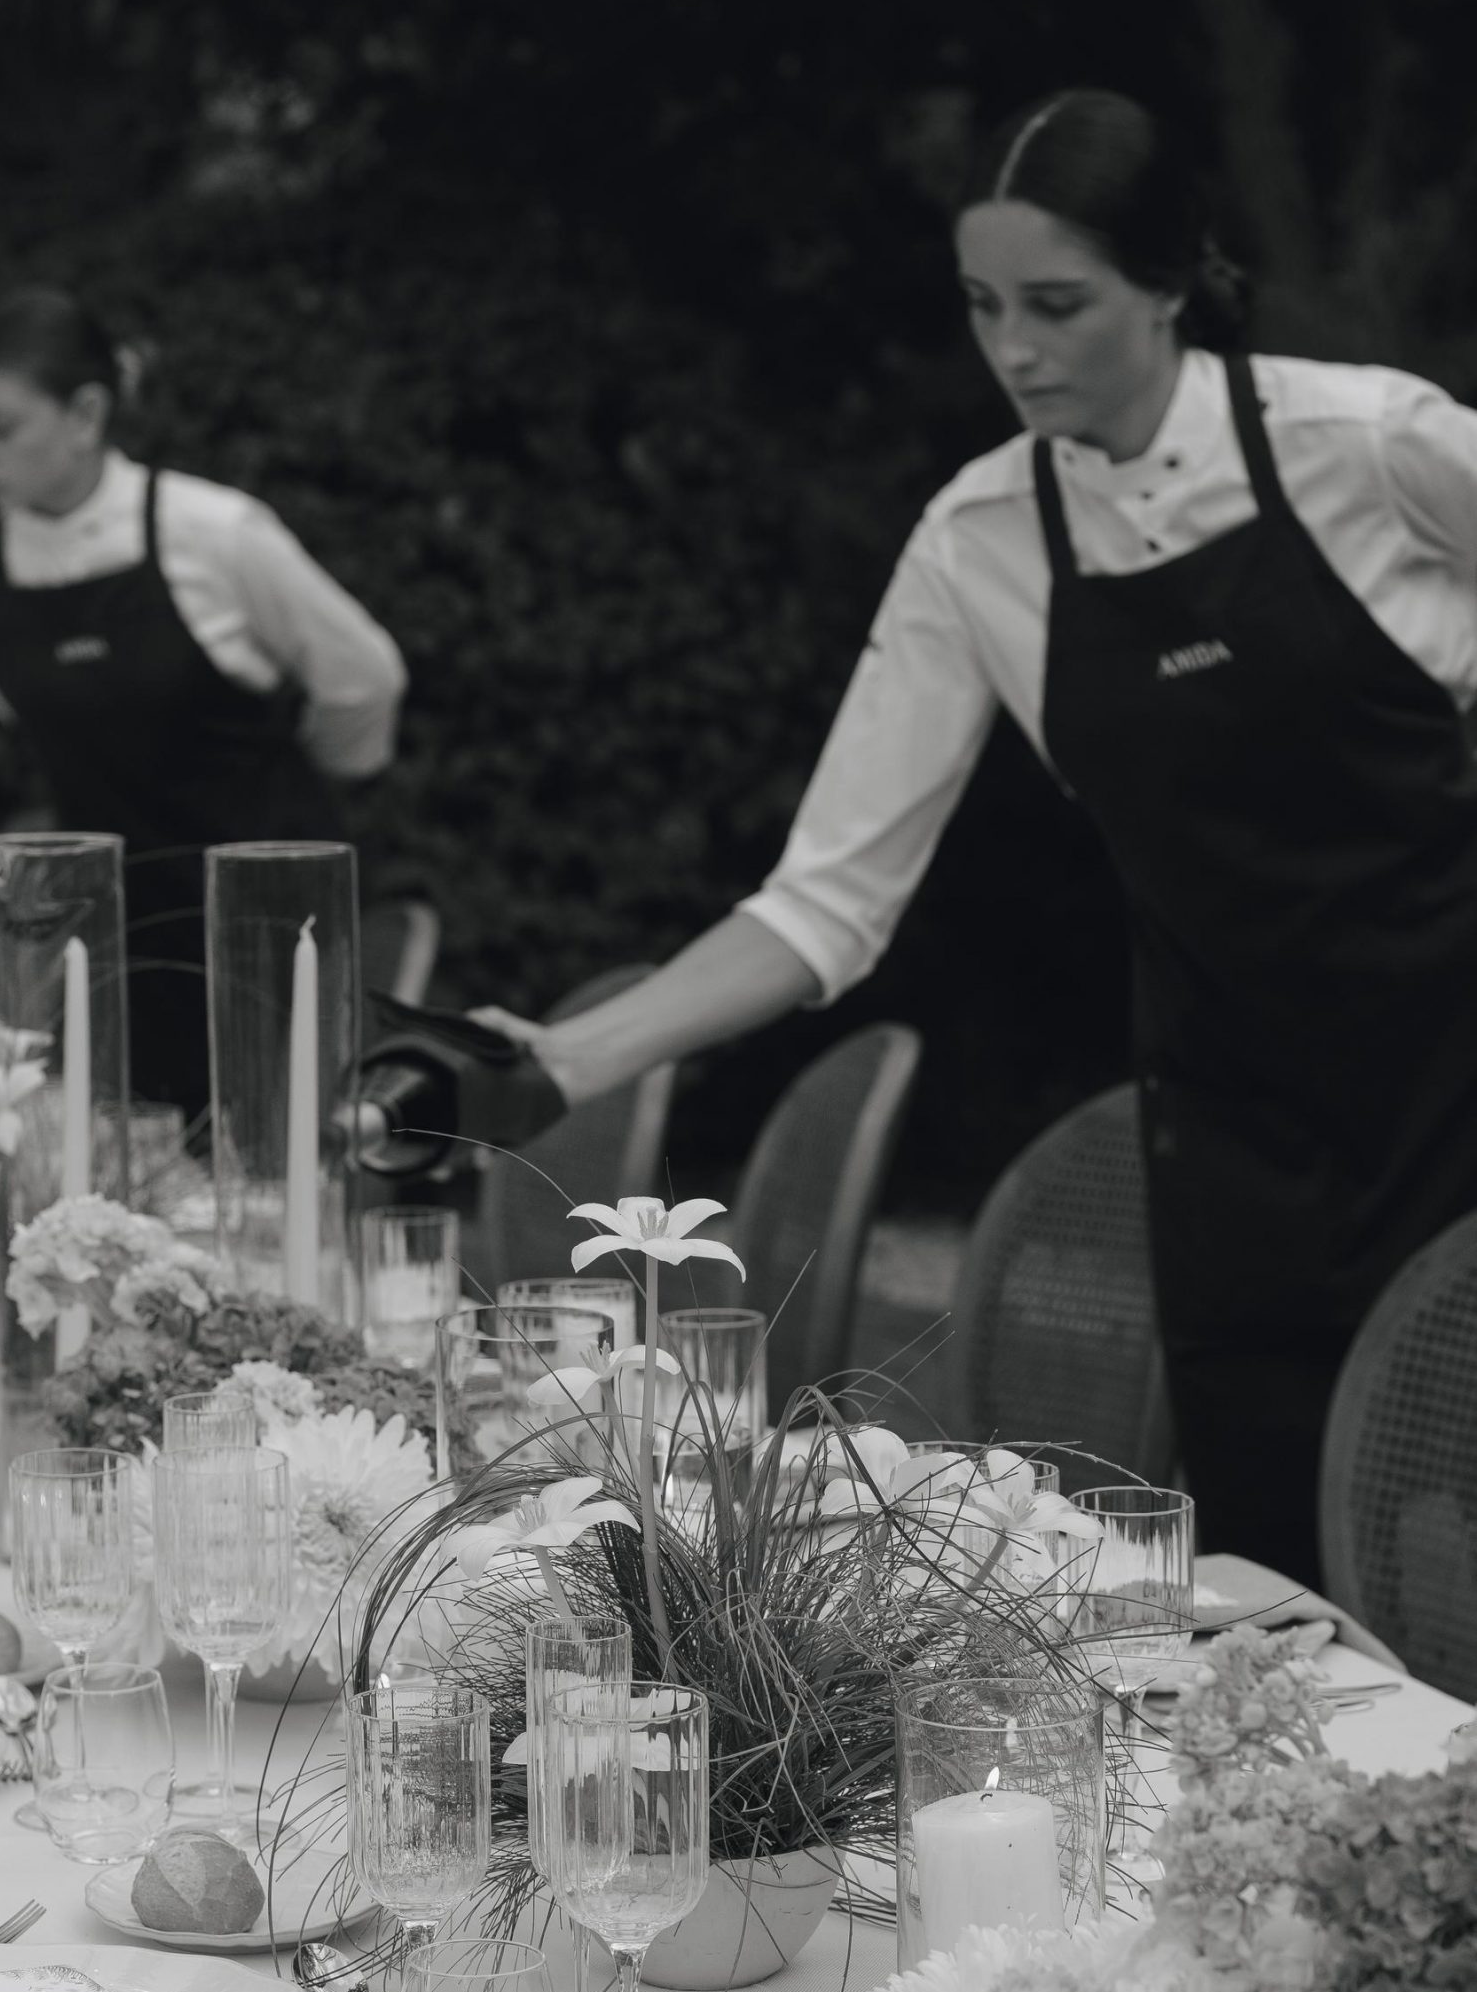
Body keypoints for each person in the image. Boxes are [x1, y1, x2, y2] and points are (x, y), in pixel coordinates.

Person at [478, 87, 1477, 1590]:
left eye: (1057, 305)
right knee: (1290, 1626)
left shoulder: (1372, 447)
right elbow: (826, 903)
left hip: (1459, 1106)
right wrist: (565, 1062)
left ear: (1167, 281)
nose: (1012, 350)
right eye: (981, 305)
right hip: (1235, 1160)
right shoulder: (977, 543)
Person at [0, 286, 405, 1113]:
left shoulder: (215, 533)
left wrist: (315, 788)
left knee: (287, 1173)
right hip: (118, 934)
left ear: (86, 413)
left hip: (279, 926)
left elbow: (364, 679)